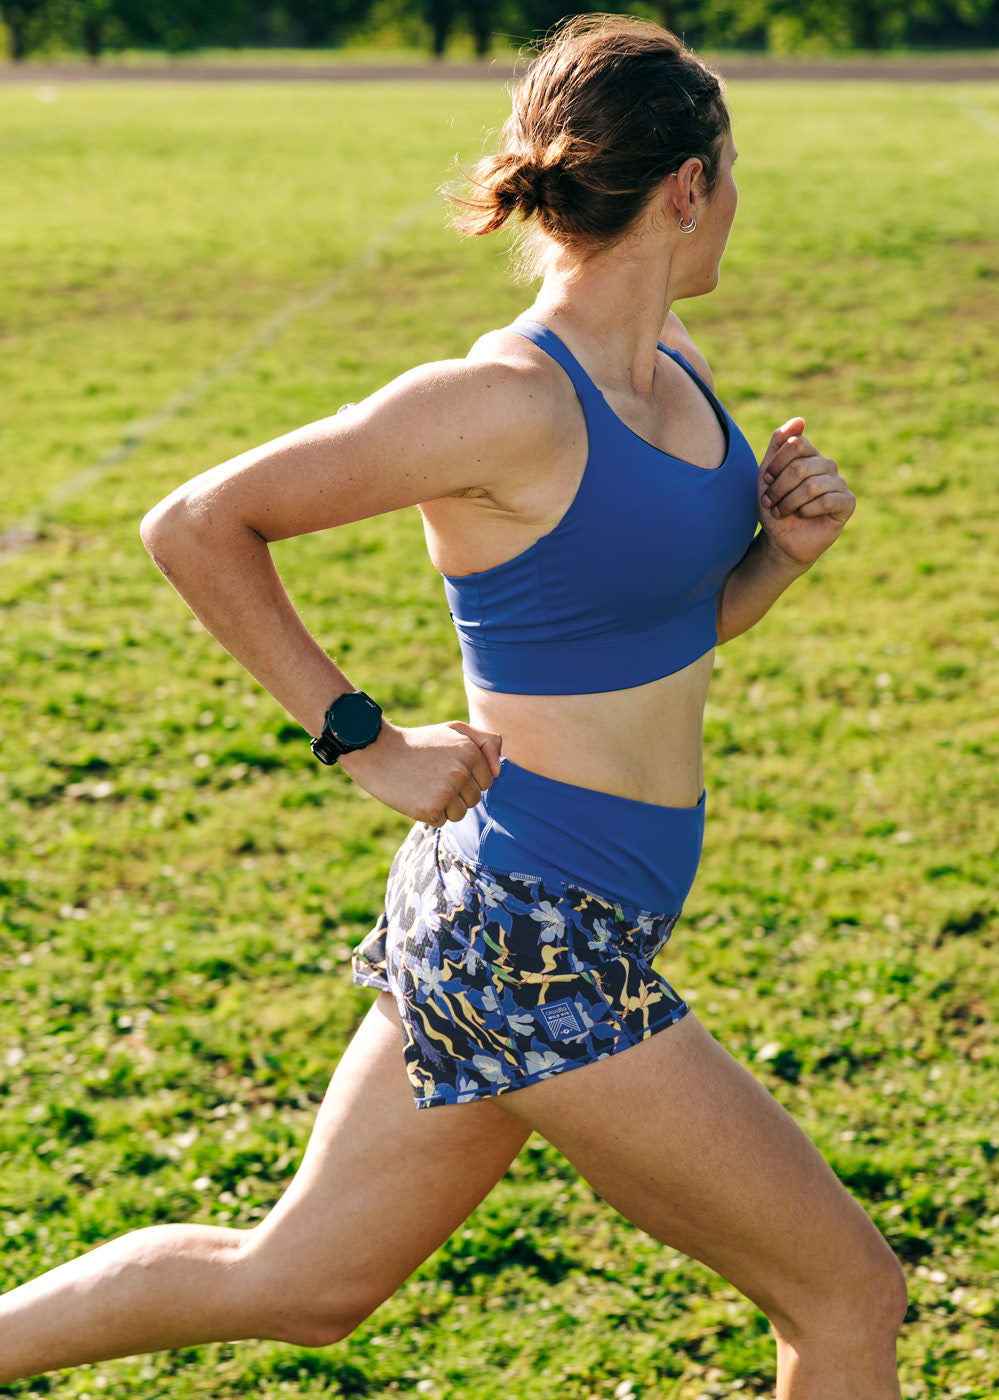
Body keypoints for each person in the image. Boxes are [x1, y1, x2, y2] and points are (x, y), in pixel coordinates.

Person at [0, 14, 906, 1397]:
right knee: (848, 1297)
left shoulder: (680, 375)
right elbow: (198, 522)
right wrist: (363, 739)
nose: (734, 203)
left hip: (543, 909)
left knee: (300, 1283)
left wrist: (776, 555)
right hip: (533, 931)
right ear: (687, 186)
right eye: (733, 173)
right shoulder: (498, 402)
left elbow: (655, 634)